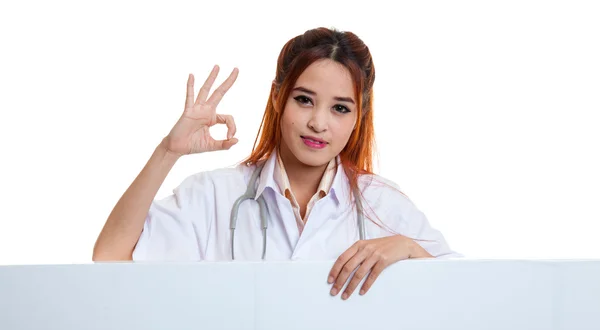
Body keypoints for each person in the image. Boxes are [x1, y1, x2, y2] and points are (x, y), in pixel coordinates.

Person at [93, 27, 462, 300]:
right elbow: (110, 257)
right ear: (276, 98)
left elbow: (464, 292)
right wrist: (167, 152)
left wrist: (410, 249)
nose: (319, 122)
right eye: (304, 100)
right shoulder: (215, 195)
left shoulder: (382, 204)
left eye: (340, 108)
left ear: (358, 116)